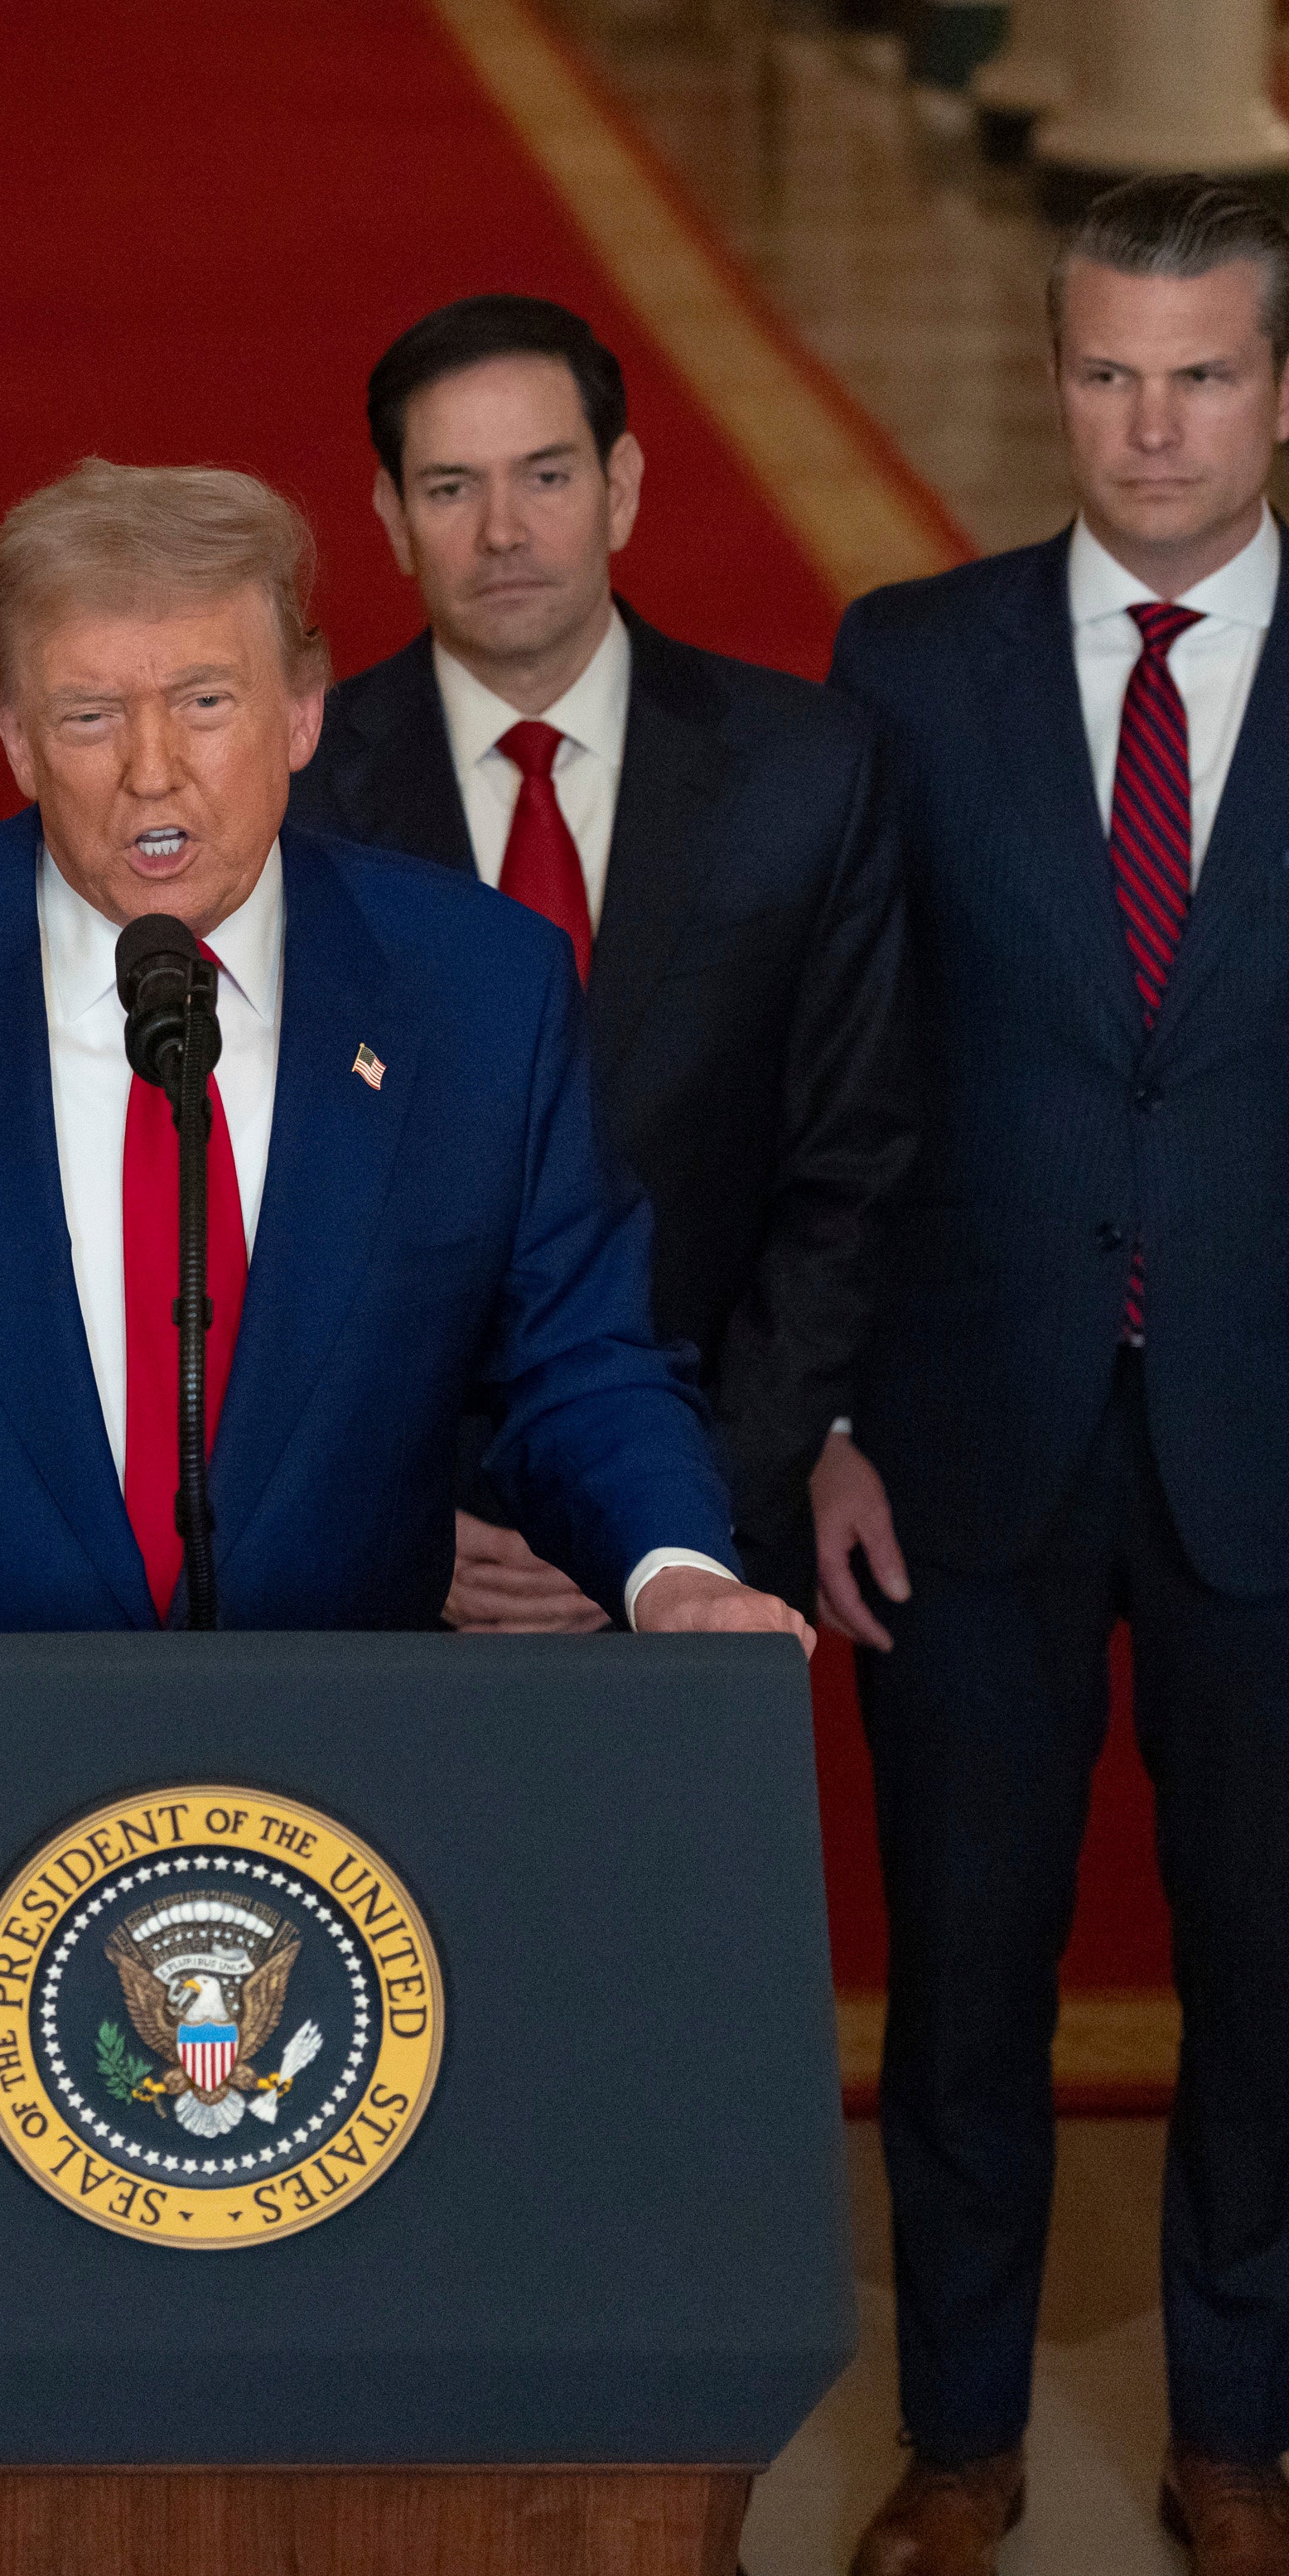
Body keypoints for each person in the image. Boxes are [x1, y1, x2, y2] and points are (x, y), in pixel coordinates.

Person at [816, 176, 1289, 2576]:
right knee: (961, 1976)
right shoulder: (907, 663)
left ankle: (1240, 2445)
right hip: (963, 1440)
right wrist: (818, 1415)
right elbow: (840, 1083)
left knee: (1270, 1970)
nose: (1152, 426)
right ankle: (956, 2444)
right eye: (1109, 374)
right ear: (1058, 381)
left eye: (1203, 376)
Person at [0, 458, 809, 1785]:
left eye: (206, 703)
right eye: (89, 717)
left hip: (327, 1787)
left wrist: (679, 1580)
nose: (154, 773)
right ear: (14, 735)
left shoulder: (478, 992)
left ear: (304, 711)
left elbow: (581, 1362)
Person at [294, 293, 915, 1620]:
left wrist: (667, 1530)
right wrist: (392, 1524)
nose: (505, 531)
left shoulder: (807, 773)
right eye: (452, 486)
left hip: (705, 1540)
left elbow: (849, 1175)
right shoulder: (297, 798)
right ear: (393, 519)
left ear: (623, 487)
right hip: (386, 1572)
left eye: (548, 476)